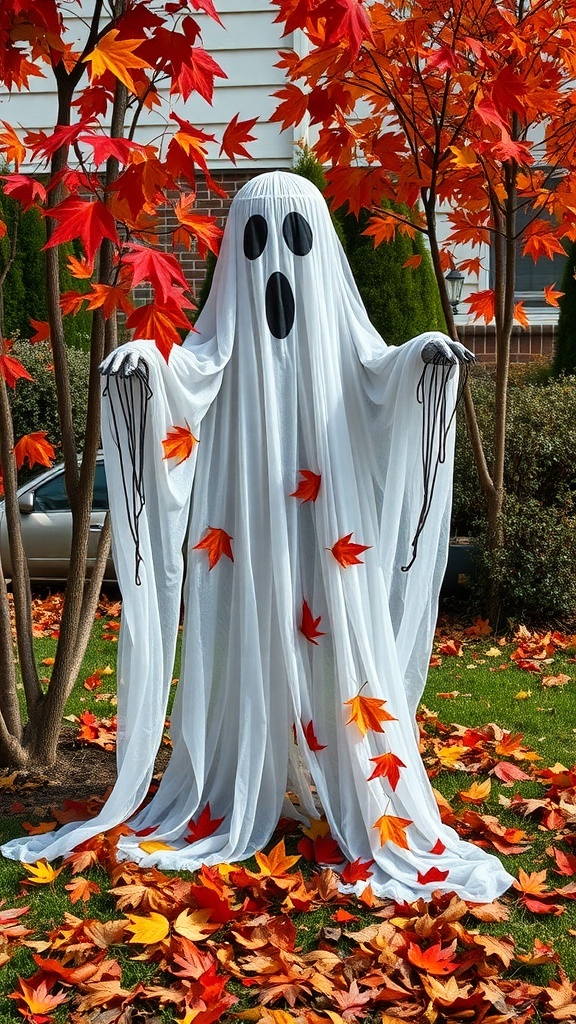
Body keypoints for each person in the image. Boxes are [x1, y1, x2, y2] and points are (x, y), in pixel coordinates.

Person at [2, 171, 513, 901]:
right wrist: (147, 362)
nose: (274, 259)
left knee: (333, 635)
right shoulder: (227, 339)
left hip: (327, 525)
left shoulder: (338, 334)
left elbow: (379, 367)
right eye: (255, 239)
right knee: (252, 633)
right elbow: (191, 369)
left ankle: (347, 775)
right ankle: (245, 774)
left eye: (293, 238)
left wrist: (424, 355)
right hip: (244, 525)